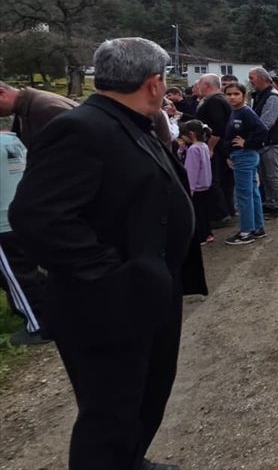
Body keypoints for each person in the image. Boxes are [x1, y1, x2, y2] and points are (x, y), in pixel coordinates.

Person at [10, 37, 195, 469]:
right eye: (164, 80)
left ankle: (130, 460)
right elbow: (37, 217)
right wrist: (112, 273)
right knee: (109, 413)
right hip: (107, 304)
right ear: (153, 84)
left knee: (143, 398)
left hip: (144, 293)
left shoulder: (129, 121)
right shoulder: (80, 128)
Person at [0, 80, 77, 346]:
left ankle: (39, 324)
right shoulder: (24, 118)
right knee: (29, 269)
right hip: (29, 210)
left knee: (18, 274)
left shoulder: (44, 108)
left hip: (14, 218)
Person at [221, 82, 268, 245]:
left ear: (244, 95)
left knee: (244, 195)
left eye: (236, 94)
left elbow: (262, 130)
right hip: (241, 155)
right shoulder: (236, 112)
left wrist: (247, 143)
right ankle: (257, 227)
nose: (232, 97)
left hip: (245, 156)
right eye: (229, 94)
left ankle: (246, 231)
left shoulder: (245, 112)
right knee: (252, 192)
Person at [193, 74, 234, 225]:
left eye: (200, 84)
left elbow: (217, 127)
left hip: (217, 147)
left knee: (213, 180)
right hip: (225, 147)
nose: (197, 87)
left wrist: (210, 147)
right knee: (225, 180)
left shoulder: (214, 101)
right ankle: (228, 210)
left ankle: (220, 215)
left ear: (207, 85)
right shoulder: (222, 99)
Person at [248, 68, 278, 218]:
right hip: (266, 142)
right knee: (265, 176)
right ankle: (271, 203)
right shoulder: (261, 96)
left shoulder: (272, 97)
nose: (250, 81)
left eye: (251, 78)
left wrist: (250, 136)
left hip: (273, 143)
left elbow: (267, 122)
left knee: (273, 176)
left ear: (261, 78)